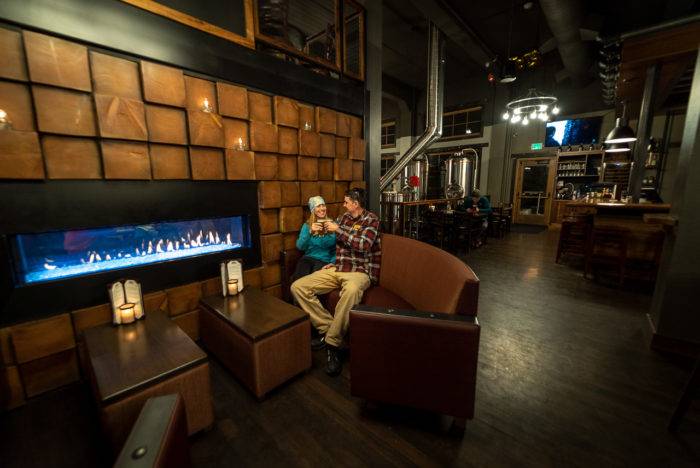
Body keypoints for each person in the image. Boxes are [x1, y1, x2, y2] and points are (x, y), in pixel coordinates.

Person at [290, 187, 381, 377]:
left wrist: (338, 230)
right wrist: (332, 262)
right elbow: (335, 244)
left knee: (351, 291)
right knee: (298, 287)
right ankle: (330, 329)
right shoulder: (343, 218)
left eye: (347, 202)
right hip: (338, 268)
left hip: (360, 271)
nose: (344, 205)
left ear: (356, 204)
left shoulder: (371, 220)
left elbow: (363, 245)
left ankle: (332, 343)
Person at [291, 196, 336, 282]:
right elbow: (300, 247)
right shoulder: (307, 226)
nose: (322, 208)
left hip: (324, 260)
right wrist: (310, 232)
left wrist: (333, 262)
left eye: (323, 205)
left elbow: (338, 247)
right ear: (313, 210)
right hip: (308, 258)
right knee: (299, 280)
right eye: (318, 206)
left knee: (313, 280)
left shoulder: (332, 225)